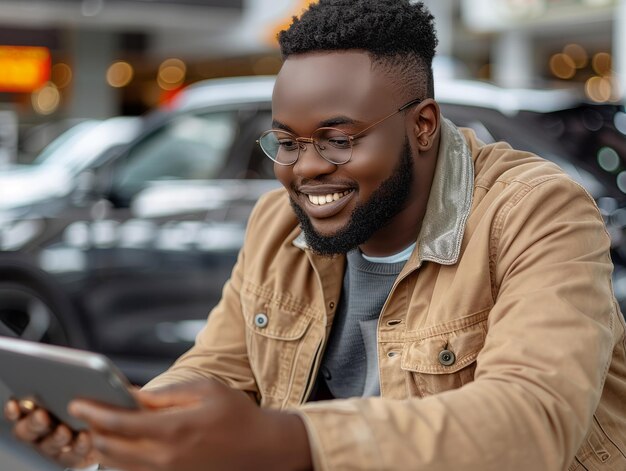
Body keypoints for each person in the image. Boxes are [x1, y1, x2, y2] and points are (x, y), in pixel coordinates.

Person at [6, 1, 626, 470]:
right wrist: (128, 423)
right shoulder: (277, 222)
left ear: (425, 126)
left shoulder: (538, 212)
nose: (303, 169)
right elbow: (219, 369)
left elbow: (533, 420)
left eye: (338, 139)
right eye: (287, 142)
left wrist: (289, 440)